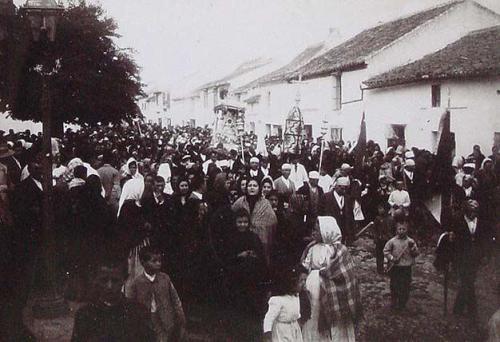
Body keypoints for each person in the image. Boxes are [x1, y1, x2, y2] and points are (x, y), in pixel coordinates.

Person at [301, 216, 360, 342]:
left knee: (334, 321)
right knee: (314, 315)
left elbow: (343, 273)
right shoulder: (312, 247)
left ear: (326, 231)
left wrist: (324, 274)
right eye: (314, 230)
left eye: (317, 230)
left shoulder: (338, 250)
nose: (314, 233)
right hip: (314, 289)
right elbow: (306, 265)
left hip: (332, 291)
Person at [71, 256, 155, 342]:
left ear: (124, 279)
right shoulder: (85, 315)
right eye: (104, 280)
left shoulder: (139, 312)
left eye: (115, 280)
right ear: (96, 280)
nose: (109, 286)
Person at [127, 246, 186, 342]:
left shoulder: (165, 279)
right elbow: (130, 304)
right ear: (143, 262)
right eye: (154, 261)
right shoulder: (137, 283)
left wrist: (181, 317)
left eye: (160, 261)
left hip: (166, 321)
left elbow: (175, 299)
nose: (158, 264)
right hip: (146, 322)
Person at [452, 199, 489, 318]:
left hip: (475, 257)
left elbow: (484, 240)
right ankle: (471, 310)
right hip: (463, 256)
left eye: (475, 212)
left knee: (468, 281)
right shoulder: (459, 221)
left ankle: (459, 309)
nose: (473, 214)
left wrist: (484, 255)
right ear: (466, 211)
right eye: (471, 211)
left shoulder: (481, 222)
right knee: (467, 281)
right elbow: (456, 242)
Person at [232, 178, 277, 266]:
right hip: (242, 238)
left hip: (261, 240)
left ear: (259, 188)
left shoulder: (265, 204)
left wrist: (259, 226)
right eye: (249, 185)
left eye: (255, 186)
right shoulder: (240, 202)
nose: (252, 188)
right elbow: (232, 215)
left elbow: (272, 221)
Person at [383, 214, 419, 310]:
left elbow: (416, 253)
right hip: (396, 267)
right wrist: (391, 258)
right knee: (394, 284)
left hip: (406, 267)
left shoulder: (410, 241)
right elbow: (385, 251)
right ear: (396, 230)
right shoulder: (392, 241)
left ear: (407, 230)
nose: (401, 231)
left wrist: (412, 249)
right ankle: (394, 301)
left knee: (405, 285)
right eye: (400, 229)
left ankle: (402, 303)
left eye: (403, 229)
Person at [263, 266, 307, 342]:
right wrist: (268, 336)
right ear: (292, 282)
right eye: (301, 280)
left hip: (294, 330)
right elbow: (269, 319)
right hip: (281, 332)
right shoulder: (278, 300)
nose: (303, 283)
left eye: (305, 280)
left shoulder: (296, 296)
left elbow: (297, 314)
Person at [319, 177, 355, 245]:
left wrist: (351, 232)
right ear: (336, 186)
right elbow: (320, 213)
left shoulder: (348, 198)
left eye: (346, 189)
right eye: (342, 188)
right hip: (330, 228)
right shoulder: (326, 197)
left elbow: (350, 215)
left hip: (343, 228)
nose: (344, 191)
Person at [373, 203, 394, 274]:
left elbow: (393, 230)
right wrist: (375, 238)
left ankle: (389, 269)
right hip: (379, 239)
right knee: (379, 255)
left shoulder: (391, 219)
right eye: (379, 208)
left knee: (389, 255)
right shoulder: (377, 219)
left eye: (381, 208)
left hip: (388, 240)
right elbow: (375, 230)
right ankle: (380, 269)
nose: (379, 210)